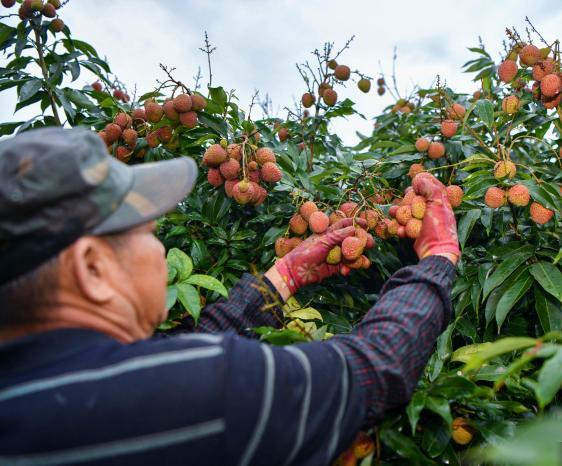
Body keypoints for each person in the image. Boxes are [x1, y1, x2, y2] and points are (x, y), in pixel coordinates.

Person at [0, 127, 460, 465]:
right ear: (92, 268)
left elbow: (177, 358)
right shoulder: (202, 392)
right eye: (148, 232)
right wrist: (438, 257)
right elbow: (373, 371)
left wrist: (283, 277)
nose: (160, 250)